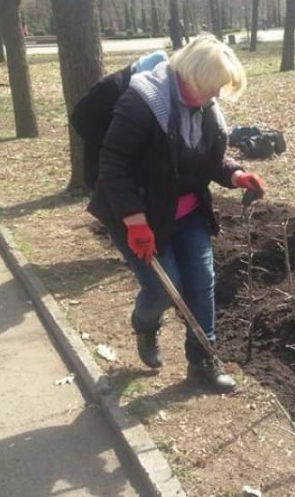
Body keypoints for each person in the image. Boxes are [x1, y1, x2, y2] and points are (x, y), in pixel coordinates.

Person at [87, 35, 265, 392]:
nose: (215, 96)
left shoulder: (206, 106)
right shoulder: (143, 102)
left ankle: (202, 364)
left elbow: (203, 157)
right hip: (139, 215)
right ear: (192, 76)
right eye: (211, 87)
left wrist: (235, 175)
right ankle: (145, 323)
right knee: (163, 289)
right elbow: (112, 165)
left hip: (188, 213)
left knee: (201, 282)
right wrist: (135, 222)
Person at [70, 50, 168, 189]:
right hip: (102, 165)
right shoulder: (110, 86)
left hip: (129, 168)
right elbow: (79, 118)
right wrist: (111, 140)